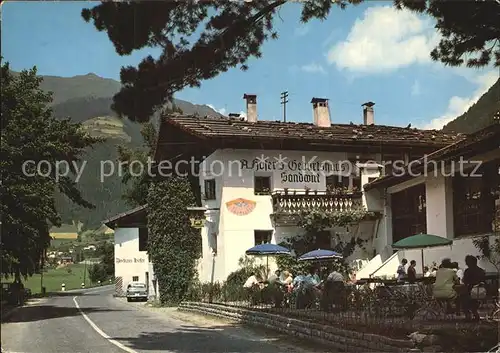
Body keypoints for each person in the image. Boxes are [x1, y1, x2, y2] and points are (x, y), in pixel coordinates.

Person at [461, 255, 486, 321]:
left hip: (471, 292)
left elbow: (465, 281)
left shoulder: (468, 271)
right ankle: (475, 313)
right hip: (482, 292)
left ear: (469, 263)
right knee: (471, 298)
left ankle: (467, 315)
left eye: (466, 262)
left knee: (462, 297)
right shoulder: (481, 271)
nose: (466, 263)